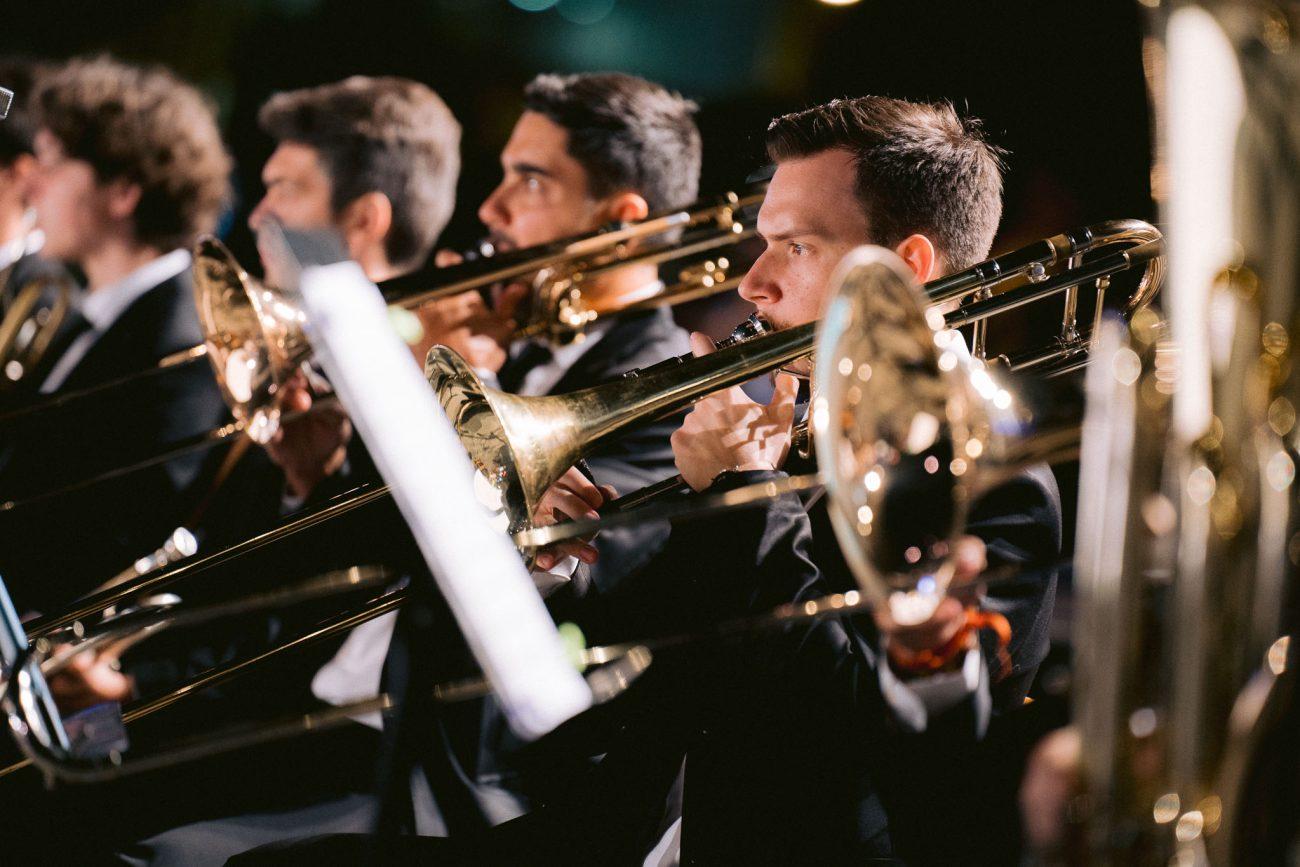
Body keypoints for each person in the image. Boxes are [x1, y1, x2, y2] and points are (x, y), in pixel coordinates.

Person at [233, 94, 1060, 866]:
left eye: (798, 247)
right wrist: (559, 553)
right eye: (764, 242)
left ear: (905, 268)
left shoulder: (995, 485)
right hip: (623, 826)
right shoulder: (799, 418)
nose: (753, 283)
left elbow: (844, 734)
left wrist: (746, 496)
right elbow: (660, 660)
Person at [0, 55, 231, 614]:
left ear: (123, 192)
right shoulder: (98, 312)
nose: (32, 183)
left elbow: (114, 540)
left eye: (54, 164)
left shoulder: (180, 347)